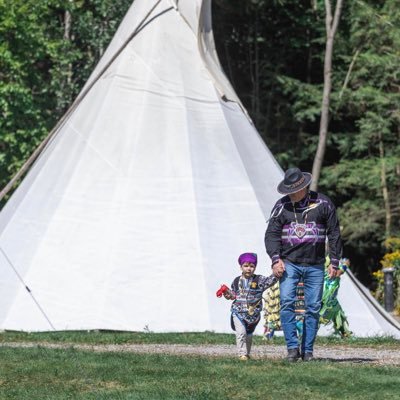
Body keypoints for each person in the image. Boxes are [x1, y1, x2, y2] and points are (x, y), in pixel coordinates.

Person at [265, 167, 343, 362]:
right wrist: (276, 259)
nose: (290, 194)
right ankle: (292, 348)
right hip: (289, 263)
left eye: (293, 190)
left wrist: (334, 261)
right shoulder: (281, 206)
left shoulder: (324, 203)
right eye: (287, 191)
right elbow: (271, 235)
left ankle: (307, 351)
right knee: (286, 304)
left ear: (304, 187)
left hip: (316, 264)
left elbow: (334, 233)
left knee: (314, 307)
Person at [222, 252, 278, 360]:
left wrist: (277, 272)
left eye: (252, 266)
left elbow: (270, 281)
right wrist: (227, 294)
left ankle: (246, 353)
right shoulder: (236, 280)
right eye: (246, 266)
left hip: (253, 315)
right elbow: (234, 295)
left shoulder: (259, 280)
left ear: (255, 267)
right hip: (238, 313)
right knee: (241, 333)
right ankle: (242, 354)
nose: (249, 269)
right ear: (241, 267)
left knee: (248, 335)